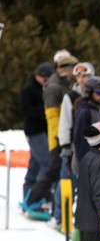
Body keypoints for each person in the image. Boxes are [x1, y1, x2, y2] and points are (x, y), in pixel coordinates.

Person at [25, 54, 78, 216]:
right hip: (57, 136)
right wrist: (59, 140)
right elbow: (52, 117)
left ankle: (54, 205)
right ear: (64, 70)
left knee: (56, 172)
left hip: (63, 135)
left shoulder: (65, 84)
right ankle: (32, 200)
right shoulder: (54, 87)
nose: (73, 73)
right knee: (51, 170)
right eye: (71, 69)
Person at [19, 62, 54, 209]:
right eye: (45, 78)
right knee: (46, 163)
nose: (46, 81)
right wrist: (45, 111)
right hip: (35, 132)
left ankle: (28, 196)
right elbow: (27, 111)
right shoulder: (29, 90)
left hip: (43, 131)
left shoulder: (44, 88)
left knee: (35, 164)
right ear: (39, 76)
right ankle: (36, 197)